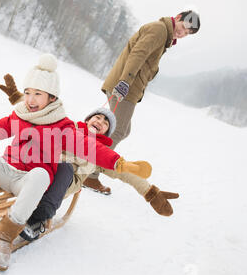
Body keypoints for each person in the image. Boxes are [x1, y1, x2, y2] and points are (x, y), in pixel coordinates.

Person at [0, 53, 152, 271]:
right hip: (6, 169)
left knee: (42, 174)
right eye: (28, 92)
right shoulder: (20, 114)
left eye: (37, 94)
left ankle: (5, 236)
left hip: (26, 182)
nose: (30, 99)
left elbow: (88, 147)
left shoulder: (64, 126)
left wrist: (120, 164)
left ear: (52, 96)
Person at [0, 74, 179, 242]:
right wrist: (16, 97)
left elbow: (125, 173)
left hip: (60, 183)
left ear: (106, 132)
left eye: (105, 123)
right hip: (40, 167)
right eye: (97, 118)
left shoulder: (100, 154)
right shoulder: (69, 129)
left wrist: (151, 192)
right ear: (87, 121)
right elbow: (42, 115)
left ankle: (37, 220)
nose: (100, 121)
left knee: (65, 167)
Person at [84, 10, 201, 193]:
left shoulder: (164, 35)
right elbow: (137, 54)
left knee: (123, 130)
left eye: (187, 34)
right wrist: (124, 82)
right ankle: (89, 174)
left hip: (130, 88)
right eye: (184, 28)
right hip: (125, 87)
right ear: (178, 18)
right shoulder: (159, 30)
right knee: (117, 130)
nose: (183, 33)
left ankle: (89, 162)